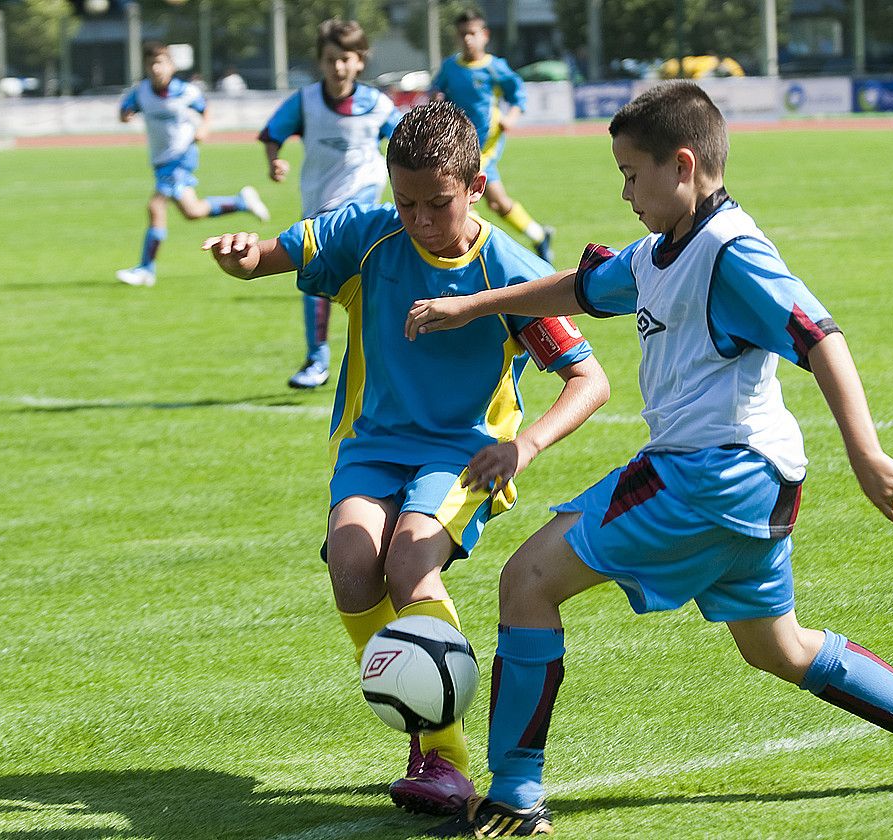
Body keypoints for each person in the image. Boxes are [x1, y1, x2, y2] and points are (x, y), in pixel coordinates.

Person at [406, 81, 893, 836]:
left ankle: (515, 795)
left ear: (682, 165)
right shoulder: (664, 250)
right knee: (779, 648)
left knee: (527, 580)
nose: (623, 190)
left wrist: (866, 451)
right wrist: (473, 305)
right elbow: (581, 287)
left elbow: (820, 335)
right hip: (758, 489)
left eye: (631, 173)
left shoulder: (732, 253)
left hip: (709, 475)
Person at [203, 100, 610, 817]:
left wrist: (523, 444)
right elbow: (273, 256)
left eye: (437, 204)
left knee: (408, 563)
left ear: (477, 187)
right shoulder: (367, 236)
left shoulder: (510, 271)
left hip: (463, 453)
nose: (419, 220)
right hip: (373, 443)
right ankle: (432, 727)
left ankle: (444, 758)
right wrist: (243, 258)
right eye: (406, 202)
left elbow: (590, 379)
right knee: (354, 566)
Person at [258, 19, 402, 390]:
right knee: (318, 280)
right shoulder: (305, 102)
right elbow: (272, 133)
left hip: (359, 205)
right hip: (317, 207)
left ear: (359, 61)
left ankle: (336, 360)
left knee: (353, 277)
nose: (337, 67)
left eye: (345, 59)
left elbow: (406, 139)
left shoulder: (377, 105)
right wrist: (274, 160)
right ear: (320, 62)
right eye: (330, 60)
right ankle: (320, 359)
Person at [116, 41, 268, 288]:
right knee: (192, 211)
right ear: (145, 67)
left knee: (155, 207)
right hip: (161, 161)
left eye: (161, 63)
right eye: (151, 64)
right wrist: (125, 115)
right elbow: (125, 110)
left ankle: (146, 269)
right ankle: (241, 201)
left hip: (180, 157)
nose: (156, 69)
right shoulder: (141, 92)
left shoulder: (185, 91)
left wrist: (205, 128)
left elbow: (205, 109)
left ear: (171, 66)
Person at [431, 8, 553, 263]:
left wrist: (511, 118)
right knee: (497, 203)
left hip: (485, 147)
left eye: (472, 34)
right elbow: (436, 90)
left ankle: (466, 258)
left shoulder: (495, 68)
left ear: (484, 35)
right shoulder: (450, 67)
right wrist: (436, 99)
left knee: (463, 200)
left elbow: (517, 94)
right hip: (456, 145)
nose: (467, 39)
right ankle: (539, 235)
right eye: (463, 34)